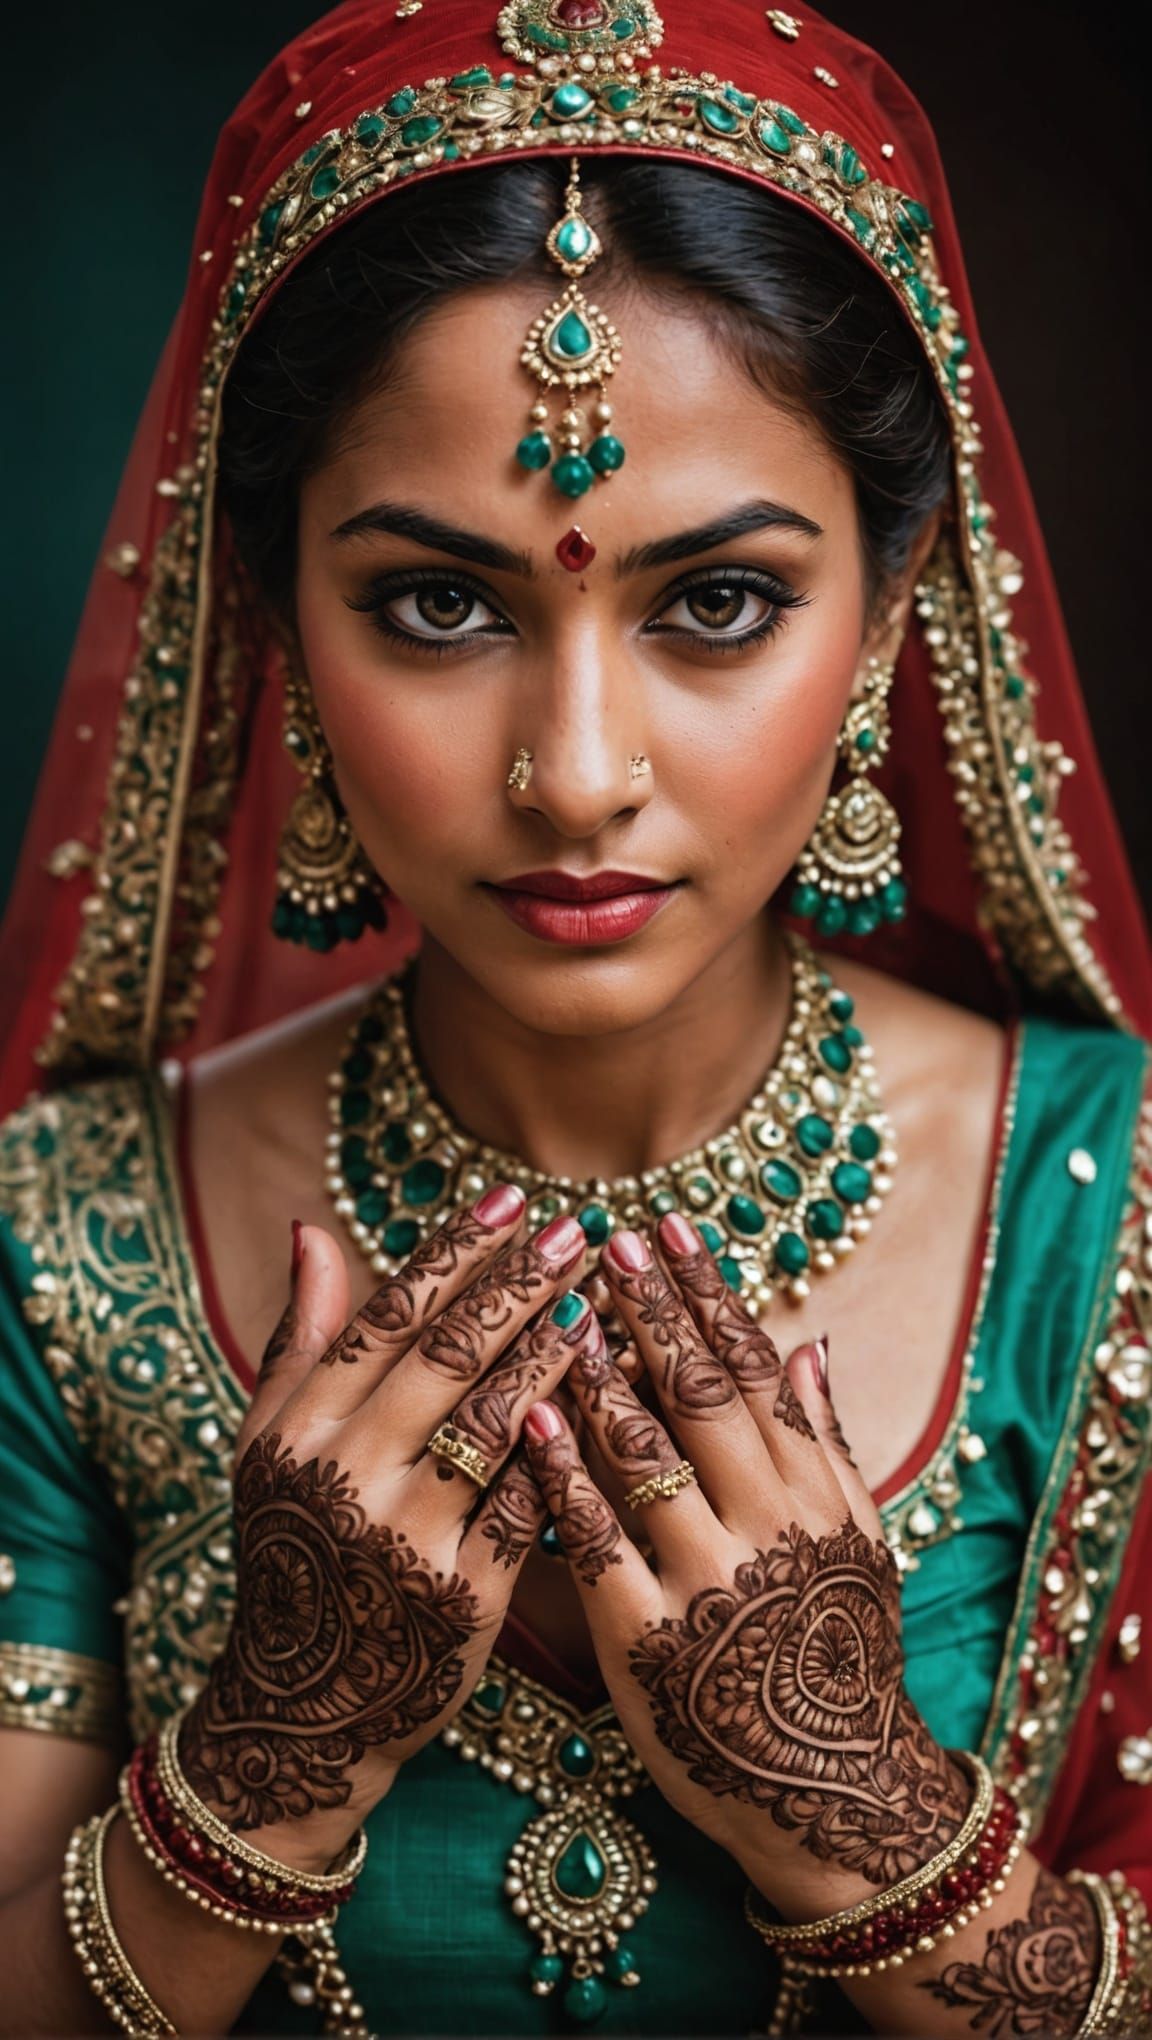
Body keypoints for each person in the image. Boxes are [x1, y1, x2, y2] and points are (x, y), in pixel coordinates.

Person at [1, 0, 1150, 2032]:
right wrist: (263, 1766)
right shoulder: (67, 1222)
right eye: (440, 605)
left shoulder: (1117, 1207)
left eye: (717, 603)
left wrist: (861, 1812)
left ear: (890, 622)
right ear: (275, 629)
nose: (579, 769)